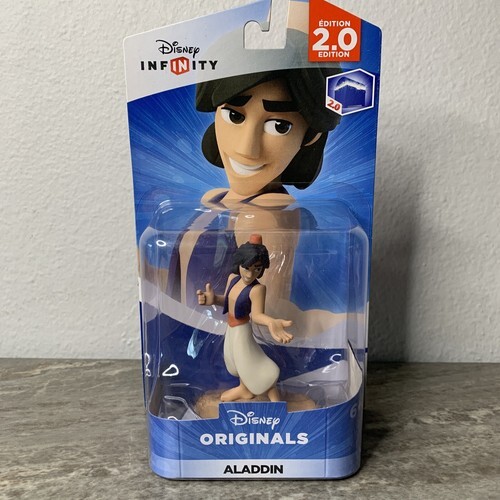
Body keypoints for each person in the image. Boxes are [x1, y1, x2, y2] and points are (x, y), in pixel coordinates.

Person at [196, 61, 342, 208]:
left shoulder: (267, 210)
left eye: (279, 126)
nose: (246, 150)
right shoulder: (213, 198)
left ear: (312, 136)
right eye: (234, 116)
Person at [197, 234, 293, 402]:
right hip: (231, 329)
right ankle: (245, 389)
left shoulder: (257, 289)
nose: (250, 274)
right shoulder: (232, 279)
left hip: (242, 330)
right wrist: (213, 300)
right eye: (247, 268)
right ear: (239, 264)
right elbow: (228, 301)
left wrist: (271, 322)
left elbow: (256, 315)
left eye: (257, 269)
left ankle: (275, 400)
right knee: (237, 363)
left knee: (251, 363)